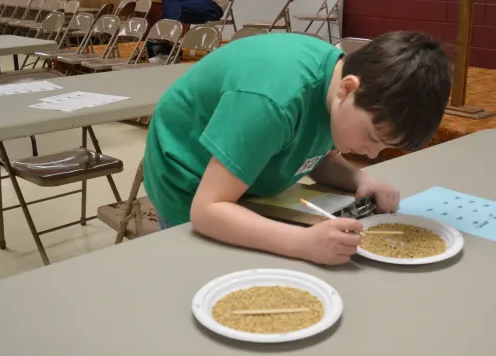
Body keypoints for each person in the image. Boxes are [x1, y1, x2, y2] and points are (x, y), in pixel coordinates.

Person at [143, 31, 452, 265]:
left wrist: (360, 180)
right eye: (372, 137)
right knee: (209, 273)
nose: (371, 154)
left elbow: (310, 150)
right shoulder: (273, 100)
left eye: (384, 148)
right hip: (189, 176)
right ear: (349, 89)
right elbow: (207, 211)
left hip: (247, 170)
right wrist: (303, 242)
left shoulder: (335, 88)